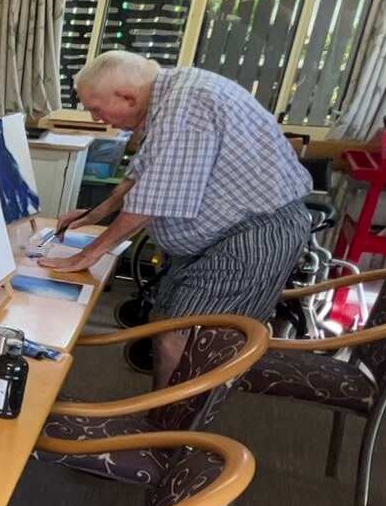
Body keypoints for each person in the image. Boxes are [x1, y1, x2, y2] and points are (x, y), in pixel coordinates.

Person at [39, 50, 312, 386]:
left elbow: (152, 198)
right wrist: (93, 215)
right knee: (163, 318)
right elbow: (141, 177)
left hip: (250, 235)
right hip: (222, 236)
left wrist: (91, 252)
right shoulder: (170, 97)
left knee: (182, 338)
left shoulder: (187, 101)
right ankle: (166, 416)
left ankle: (170, 431)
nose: (97, 118)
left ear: (127, 96)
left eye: (96, 108)